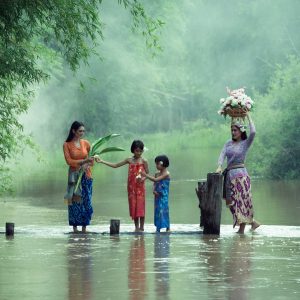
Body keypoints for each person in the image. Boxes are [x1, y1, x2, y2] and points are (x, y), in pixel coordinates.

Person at [216, 113, 260, 234]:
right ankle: (252, 222)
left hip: (241, 176)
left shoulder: (245, 143)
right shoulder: (228, 143)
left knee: (241, 202)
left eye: (235, 130)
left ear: (241, 131)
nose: (233, 132)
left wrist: (249, 117)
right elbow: (222, 154)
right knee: (230, 203)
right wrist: (219, 166)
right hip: (229, 175)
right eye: (232, 130)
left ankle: (241, 230)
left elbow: (253, 133)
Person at [97, 140, 149, 232]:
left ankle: (142, 227)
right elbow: (116, 165)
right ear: (133, 150)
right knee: (134, 206)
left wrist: (142, 179)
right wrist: (102, 161)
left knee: (141, 207)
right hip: (131, 187)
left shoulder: (144, 161)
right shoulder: (129, 160)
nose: (139, 153)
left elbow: (147, 174)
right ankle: (136, 227)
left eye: (141, 151)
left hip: (140, 188)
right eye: (137, 151)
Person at [63, 121, 94, 233]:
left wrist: (88, 163)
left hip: (86, 176)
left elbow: (92, 159)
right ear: (73, 131)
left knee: (86, 201)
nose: (82, 133)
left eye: (83, 131)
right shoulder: (67, 145)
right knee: (75, 202)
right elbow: (69, 161)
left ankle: (84, 228)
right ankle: (75, 229)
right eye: (80, 131)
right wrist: (83, 161)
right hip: (74, 177)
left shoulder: (86, 143)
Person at [141, 155, 170, 233]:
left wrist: (145, 175)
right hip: (157, 195)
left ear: (162, 164)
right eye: (156, 164)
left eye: (157, 164)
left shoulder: (166, 174)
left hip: (163, 196)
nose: (156, 166)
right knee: (157, 210)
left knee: (163, 210)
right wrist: (154, 190)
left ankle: (168, 227)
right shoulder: (157, 173)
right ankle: (158, 228)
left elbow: (155, 179)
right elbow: (155, 183)